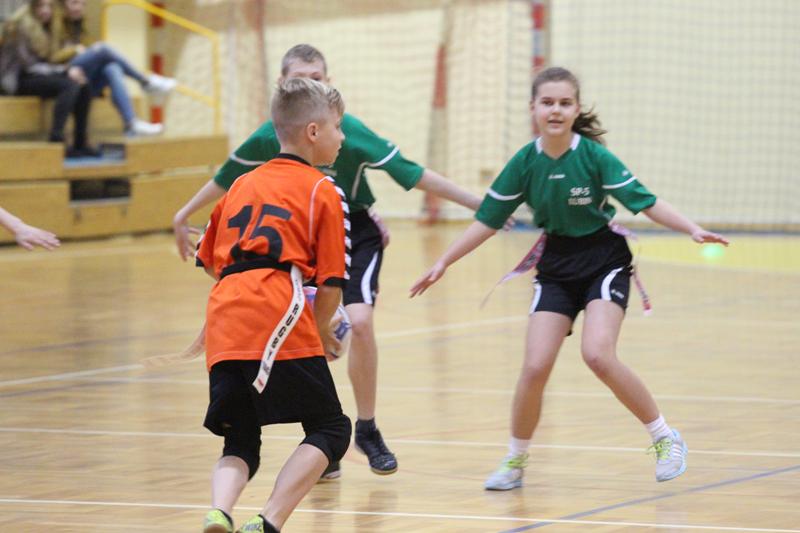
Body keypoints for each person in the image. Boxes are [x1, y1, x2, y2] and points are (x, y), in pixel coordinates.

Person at [174, 44, 491, 479]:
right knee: (307, 327)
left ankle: (367, 428)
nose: (313, 85)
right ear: (284, 88)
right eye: (302, 79)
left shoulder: (347, 130)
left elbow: (412, 173)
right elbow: (227, 178)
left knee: (357, 322)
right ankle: (324, 435)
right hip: (298, 241)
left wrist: (480, 204)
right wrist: (183, 213)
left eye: (319, 77)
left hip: (354, 230)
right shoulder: (273, 134)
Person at [410, 66, 729, 491]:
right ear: (533, 108)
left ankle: (665, 437)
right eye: (547, 102)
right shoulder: (525, 163)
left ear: (577, 109)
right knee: (534, 367)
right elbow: (488, 219)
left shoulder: (594, 157)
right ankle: (515, 460)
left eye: (564, 103)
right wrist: (443, 262)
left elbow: (646, 201)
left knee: (597, 355)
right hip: (556, 266)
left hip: (603, 260)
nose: (555, 110)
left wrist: (691, 228)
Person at [197, 77, 351, 533]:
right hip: (277, 311)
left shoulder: (240, 184)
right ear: (313, 132)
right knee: (331, 428)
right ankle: (267, 522)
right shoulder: (322, 189)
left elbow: (209, 260)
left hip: (224, 315)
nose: (342, 137)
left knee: (240, 438)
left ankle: (219, 511)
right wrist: (319, 332)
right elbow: (331, 284)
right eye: (338, 127)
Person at [50, 0, 175, 136]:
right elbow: (51, 57)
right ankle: (145, 81)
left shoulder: (81, 25)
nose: (79, 7)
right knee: (104, 49)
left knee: (112, 68)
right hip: (63, 75)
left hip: (84, 78)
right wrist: (75, 50)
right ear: (63, 5)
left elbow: (89, 50)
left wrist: (86, 51)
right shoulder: (56, 25)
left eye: (82, 4)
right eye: (74, 3)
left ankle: (131, 123)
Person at [0, 0, 94, 157]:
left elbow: (52, 59)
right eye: (40, 6)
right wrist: (65, 71)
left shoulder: (49, 26)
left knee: (83, 84)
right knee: (70, 85)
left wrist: (68, 69)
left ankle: (80, 142)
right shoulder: (19, 26)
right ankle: (56, 137)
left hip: (38, 75)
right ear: (32, 7)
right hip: (17, 79)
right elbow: (29, 66)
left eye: (49, 6)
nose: (45, 10)